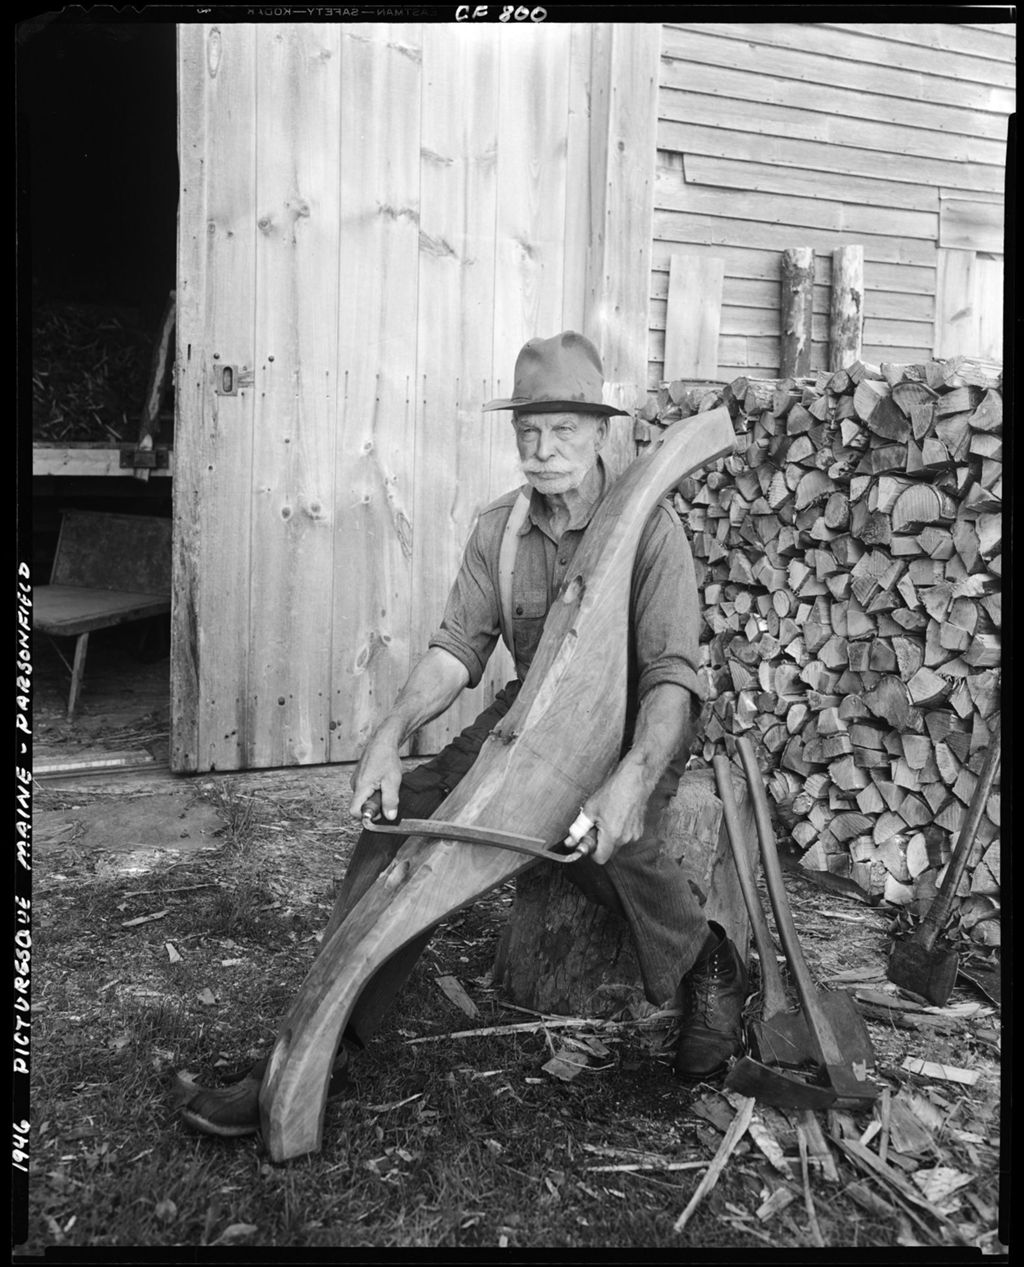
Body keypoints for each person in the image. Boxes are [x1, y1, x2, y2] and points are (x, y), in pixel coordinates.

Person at [179, 331, 747, 1138]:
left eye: (564, 432)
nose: (544, 452)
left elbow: (670, 682)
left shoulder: (651, 533)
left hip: (632, 725)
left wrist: (628, 780)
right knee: (403, 816)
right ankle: (320, 1044)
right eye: (529, 433)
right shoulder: (500, 531)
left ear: (601, 432)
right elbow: (457, 651)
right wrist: (388, 734)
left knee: (592, 837)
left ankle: (708, 956)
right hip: (526, 714)